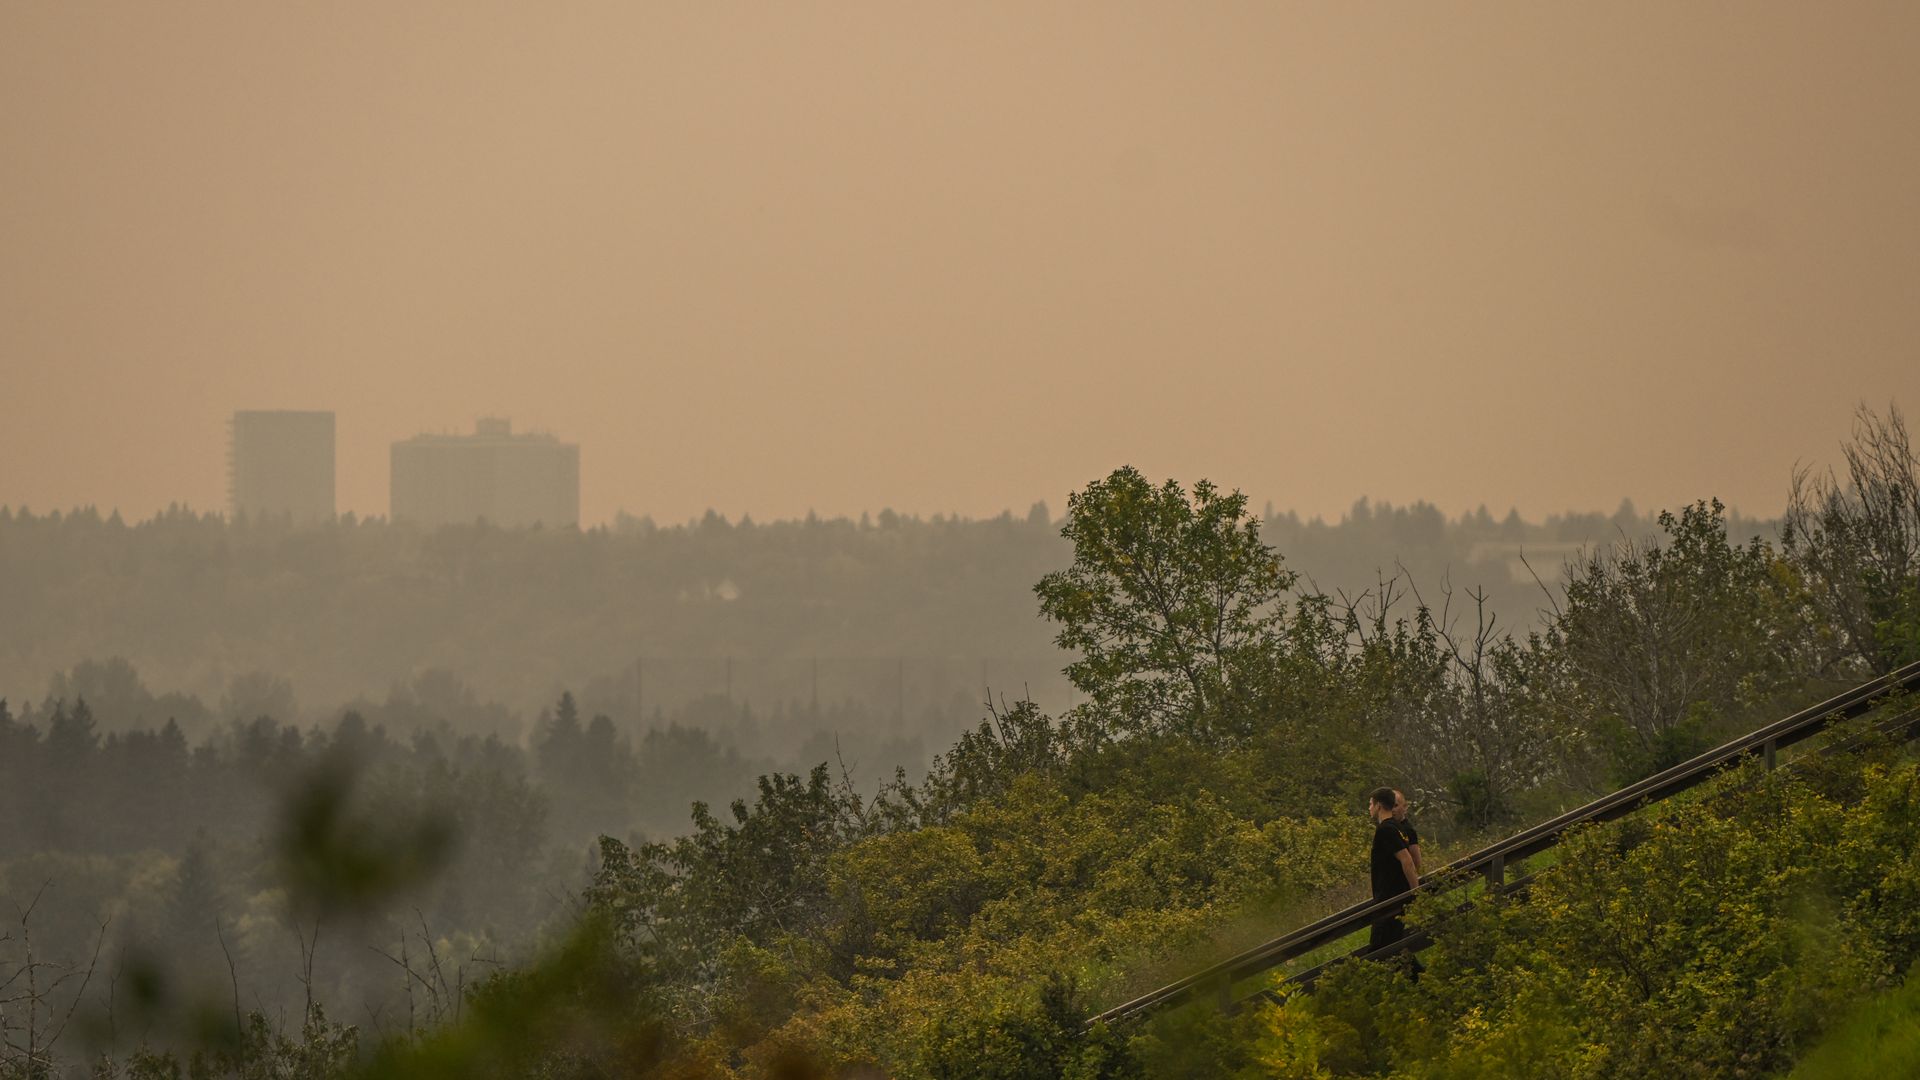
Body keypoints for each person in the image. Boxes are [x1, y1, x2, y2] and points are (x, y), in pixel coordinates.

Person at [1368, 786, 1423, 976]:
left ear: (1379, 805)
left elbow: (1408, 861)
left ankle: (1420, 981)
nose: (1369, 808)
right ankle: (1422, 982)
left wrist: (1415, 893)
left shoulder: (1387, 829)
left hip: (1390, 900)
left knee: (1378, 950)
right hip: (1392, 898)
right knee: (1394, 948)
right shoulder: (1397, 828)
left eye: (1370, 803)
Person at [1393, 789, 1423, 878]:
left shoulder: (1408, 830)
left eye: (1395, 805)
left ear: (1405, 807)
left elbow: (1416, 860)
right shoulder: (1390, 828)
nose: (1392, 810)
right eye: (1389, 806)